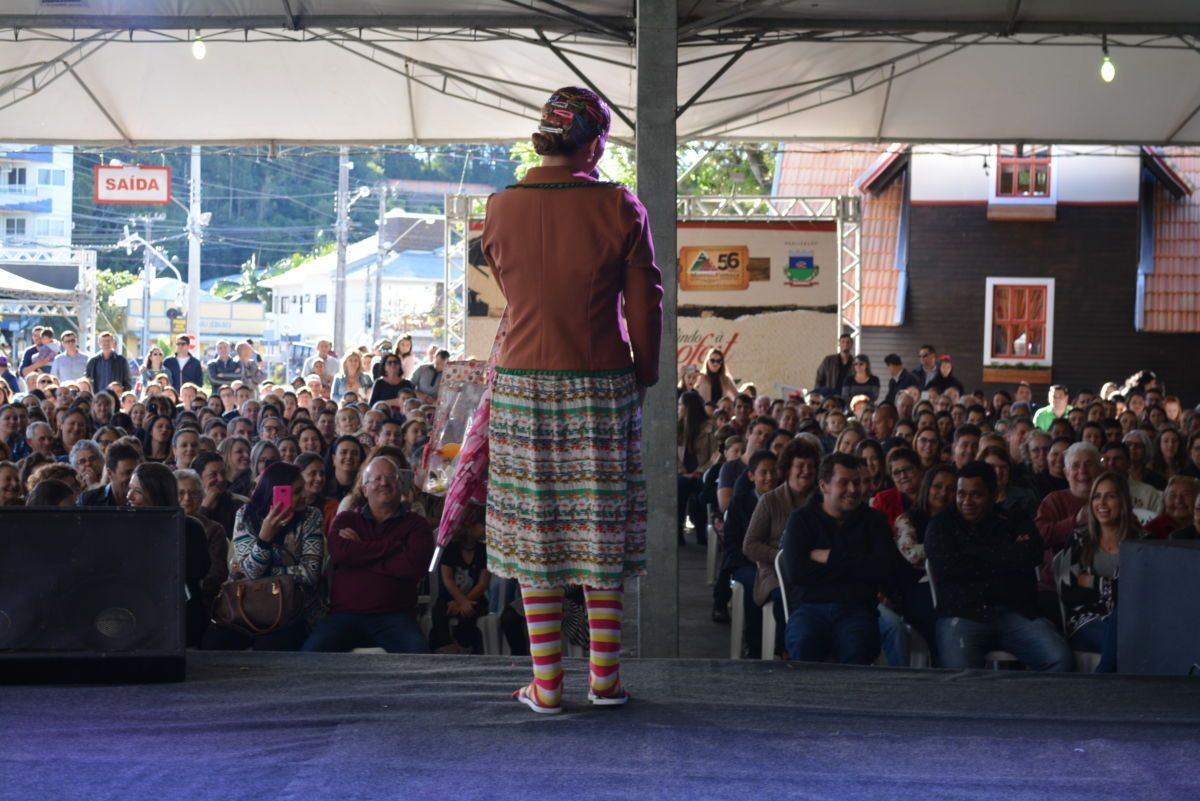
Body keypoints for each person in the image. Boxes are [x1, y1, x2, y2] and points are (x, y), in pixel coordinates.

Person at [480, 86, 662, 714]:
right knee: (598, 529)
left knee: (538, 532)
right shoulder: (620, 206)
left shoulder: (499, 207)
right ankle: (605, 679)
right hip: (600, 383)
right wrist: (645, 370)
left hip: (523, 383)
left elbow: (510, 288)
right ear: (595, 141)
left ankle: (548, 684)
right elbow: (645, 302)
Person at [926, 461, 1073, 672]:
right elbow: (948, 567)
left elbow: (1032, 554)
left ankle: (1031, 705)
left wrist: (973, 554)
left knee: (1059, 658)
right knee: (958, 674)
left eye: (976, 494)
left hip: (1016, 612)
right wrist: (1007, 555)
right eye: (961, 494)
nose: (967, 501)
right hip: (962, 612)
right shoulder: (942, 524)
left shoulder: (1013, 519)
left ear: (993, 495)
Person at [778, 452, 916, 665]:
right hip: (810, 607)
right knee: (804, 642)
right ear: (824, 486)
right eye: (844, 483)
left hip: (857, 608)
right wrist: (858, 566)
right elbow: (797, 573)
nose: (853, 490)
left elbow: (884, 570)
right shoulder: (802, 520)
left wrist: (831, 557)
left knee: (857, 646)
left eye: (857, 483)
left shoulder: (874, 521)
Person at [303, 456, 433, 654]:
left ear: (400, 485)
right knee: (310, 655)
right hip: (344, 616)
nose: (384, 483)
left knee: (419, 657)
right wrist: (393, 548)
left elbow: (414, 567)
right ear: (364, 490)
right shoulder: (347, 519)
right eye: (377, 478)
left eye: (391, 478)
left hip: (396, 617)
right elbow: (339, 554)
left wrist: (360, 551)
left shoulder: (416, 525)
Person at [204, 462, 324, 651]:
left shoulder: (311, 516)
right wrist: (264, 539)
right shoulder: (246, 515)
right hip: (248, 604)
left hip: (293, 609)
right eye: (297, 491)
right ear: (273, 492)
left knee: (270, 647)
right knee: (213, 642)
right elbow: (249, 574)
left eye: (304, 488)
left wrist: (265, 571)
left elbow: (310, 573)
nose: (305, 495)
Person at [742, 438, 820, 655]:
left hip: (812, 568)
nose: (807, 471)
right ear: (788, 469)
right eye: (800, 466)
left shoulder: (821, 501)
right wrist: (782, 558)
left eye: (811, 466)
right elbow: (750, 545)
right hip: (774, 571)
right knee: (783, 596)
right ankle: (786, 649)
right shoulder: (770, 501)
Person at [1057, 471, 1141, 673]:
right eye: (1096, 496)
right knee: (1125, 644)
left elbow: (1140, 594)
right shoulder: (1078, 539)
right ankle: (1103, 680)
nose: (1102, 502)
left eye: (1110, 496)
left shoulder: (1142, 541)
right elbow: (1068, 591)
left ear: (1123, 501)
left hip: (1130, 620)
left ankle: (1102, 684)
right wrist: (1116, 589)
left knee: (1125, 627)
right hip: (1086, 620)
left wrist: (1093, 583)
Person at [126, 462, 212, 647]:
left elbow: (199, 570)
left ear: (156, 494)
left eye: (137, 491)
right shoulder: (125, 528)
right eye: (129, 489)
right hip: (137, 614)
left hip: (179, 614)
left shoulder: (189, 528)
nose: (129, 496)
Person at [431, 503, 491, 654]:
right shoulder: (450, 549)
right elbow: (447, 579)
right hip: (450, 597)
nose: (486, 528)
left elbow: (483, 583)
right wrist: (461, 601)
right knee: (438, 611)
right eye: (482, 524)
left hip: (474, 598)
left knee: (469, 613)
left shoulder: (483, 551)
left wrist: (464, 603)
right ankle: (445, 644)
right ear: (469, 525)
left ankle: (464, 645)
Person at [78, 442, 141, 507]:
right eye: (128, 472)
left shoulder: (144, 499)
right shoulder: (89, 501)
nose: (133, 478)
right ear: (110, 473)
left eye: (135, 472)